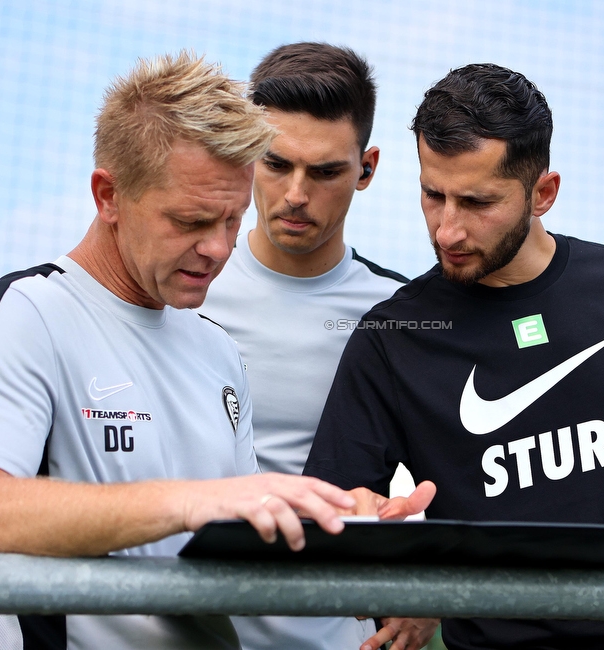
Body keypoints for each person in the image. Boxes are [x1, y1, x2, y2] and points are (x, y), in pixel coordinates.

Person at [0, 52, 427, 650]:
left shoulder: (215, 348)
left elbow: (228, 547)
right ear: (108, 195)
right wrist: (191, 501)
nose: (216, 249)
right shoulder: (24, 313)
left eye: (232, 220)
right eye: (189, 221)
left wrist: (333, 522)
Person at [305, 63, 604, 650]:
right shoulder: (394, 336)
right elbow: (333, 515)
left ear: (543, 193)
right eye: (433, 195)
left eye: (477, 202)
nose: (447, 229)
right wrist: (373, 540)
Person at [201, 43, 437, 650]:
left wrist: (428, 587)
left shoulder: (403, 316)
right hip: (188, 625)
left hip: (341, 635)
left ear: (367, 168)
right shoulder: (183, 288)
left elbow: (454, 475)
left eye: (326, 171)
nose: (296, 194)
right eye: (275, 164)